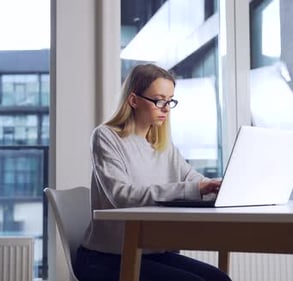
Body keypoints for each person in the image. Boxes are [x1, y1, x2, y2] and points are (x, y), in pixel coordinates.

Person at [74, 63, 231, 281]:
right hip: (105, 259)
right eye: (159, 100)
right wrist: (195, 188)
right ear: (133, 100)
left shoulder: (162, 145)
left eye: (170, 101)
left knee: (219, 279)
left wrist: (219, 186)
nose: (166, 108)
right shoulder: (106, 137)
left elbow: (194, 181)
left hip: (151, 253)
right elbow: (121, 196)